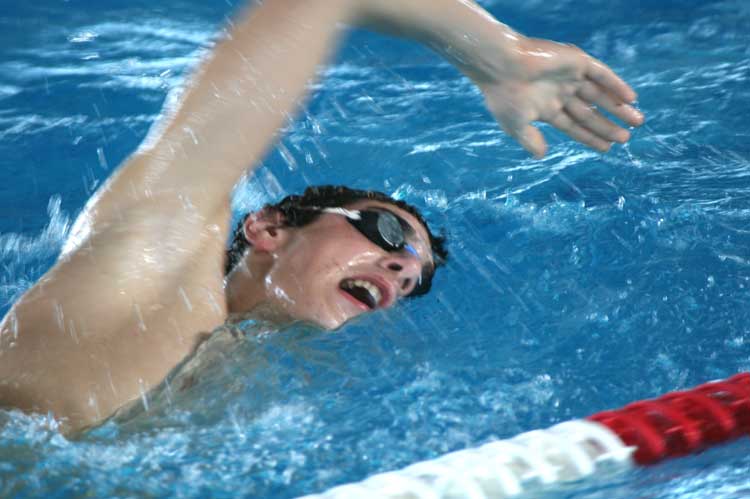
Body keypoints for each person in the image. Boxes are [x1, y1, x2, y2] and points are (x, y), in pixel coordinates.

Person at [0, 0, 644, 433]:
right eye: (386, 232)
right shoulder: (147, 265)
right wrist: (498, 50)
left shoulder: (250, 404)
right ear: (268, 229)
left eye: (416, 279)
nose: (402, 269)